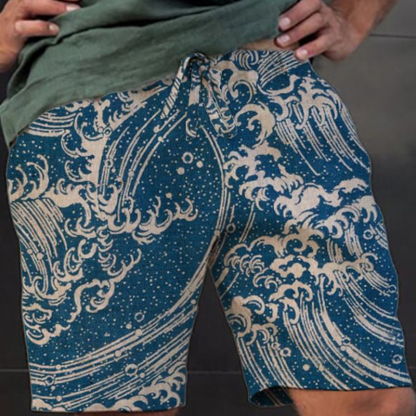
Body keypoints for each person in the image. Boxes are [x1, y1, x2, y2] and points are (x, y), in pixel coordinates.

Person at [0, 0, 415, 415]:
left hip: (276, 85)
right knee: (113, 406)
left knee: (372, 401)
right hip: (97, 101)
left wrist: (353, 14)